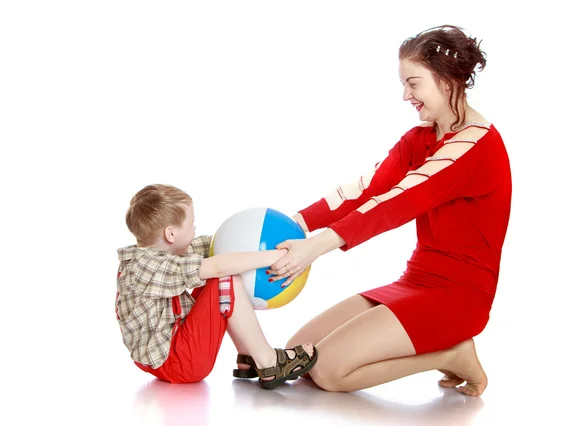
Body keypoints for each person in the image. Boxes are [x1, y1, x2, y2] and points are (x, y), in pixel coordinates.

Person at [235, 25, 511, 397]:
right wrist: (294, 226)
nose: (405, 95)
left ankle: (452, 353)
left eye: (413, 84)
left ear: (446, 82)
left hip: (459, 296)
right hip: (416, 281)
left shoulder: (475, 146)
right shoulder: (421, 138)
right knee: (298, 354)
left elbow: (396, 202)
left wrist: (313, 250)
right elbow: (366, 190)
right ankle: (444, 350)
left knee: (329, 371)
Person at [115, 184, 317, 389]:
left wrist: (257, 234)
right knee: (225, 279)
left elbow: (214, 245)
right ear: (171, 234)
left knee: (215, 276)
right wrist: (281, 256)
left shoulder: (154, 254)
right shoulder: (147, 267)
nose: (194, 229)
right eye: (191, 224)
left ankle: (248, 357)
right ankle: (270, 362)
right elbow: (219, 265)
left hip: (162, 357)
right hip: (179, 363)